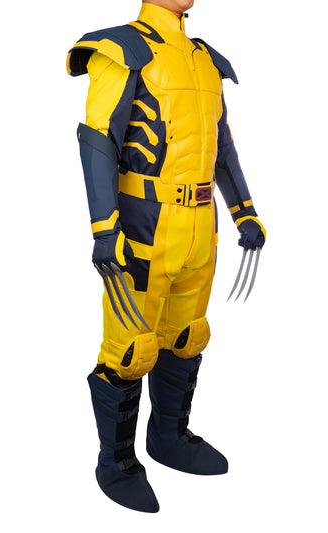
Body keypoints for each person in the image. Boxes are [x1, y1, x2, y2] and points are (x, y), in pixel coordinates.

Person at [66, 0, 266, 513]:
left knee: (187, 335)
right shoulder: (121, 49)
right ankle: (116, 463)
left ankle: (169, 437)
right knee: (130, 348)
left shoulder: (204, 60)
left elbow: (222, 146)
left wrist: (244, 211)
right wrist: (104, 227)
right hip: (143, 223)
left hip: (200, 224)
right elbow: (98, 140)